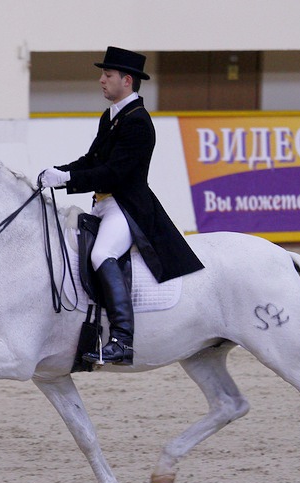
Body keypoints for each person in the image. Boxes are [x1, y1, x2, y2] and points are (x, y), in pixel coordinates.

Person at [40, 46, 205, 366]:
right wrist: (59, 172)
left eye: (108, 75)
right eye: (102, 75)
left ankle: (122, 339)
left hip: (126, 206)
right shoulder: (112, 116)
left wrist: (67, 179)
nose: (101, 80)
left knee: (102, 254)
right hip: (102, 204)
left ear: (126, 80)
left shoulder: (138, 122)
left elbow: (116, 173)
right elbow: (92, 161)